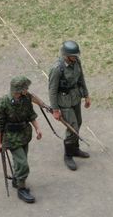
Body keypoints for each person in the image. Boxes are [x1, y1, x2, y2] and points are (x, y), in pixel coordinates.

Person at [0, 76, 43, 203]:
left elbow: (31, 115)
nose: (27, 90)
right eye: (25, 88)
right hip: (10, 138)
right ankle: (21, 188)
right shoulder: (2, 103)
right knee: (22, 163)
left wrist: (37, 128)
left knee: (22, 159)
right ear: (18, 90)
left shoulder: (26, 99)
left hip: (24, 134)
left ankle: (16, 178)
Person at [48, 40, 91, 170]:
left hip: (76, 97)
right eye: (73, 55)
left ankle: (75, 149)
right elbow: (52, 90)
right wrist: (55, 109)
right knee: (72, 127)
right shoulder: (57, 69)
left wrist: (86, 95)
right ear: (66, 55)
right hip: (64, 101)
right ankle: (68, 155)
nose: (76, 57)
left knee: (78, 122)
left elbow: (81, 78)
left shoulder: (76, 61)